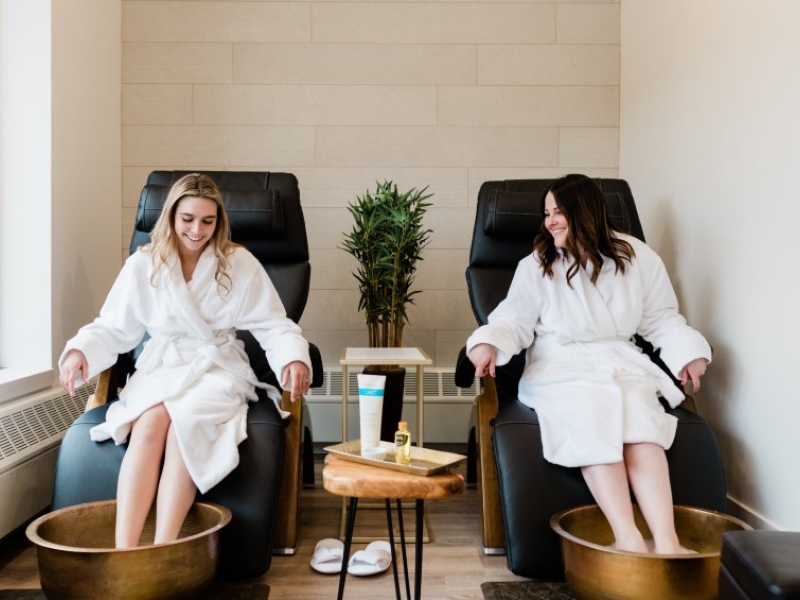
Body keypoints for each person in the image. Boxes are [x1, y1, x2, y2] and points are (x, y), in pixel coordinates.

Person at [59, 173, 312, 548]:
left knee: (185, 426)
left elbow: (273, 323)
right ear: (172, 217)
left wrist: (293, 357)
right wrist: (81, 350)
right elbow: (113, 326)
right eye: (188, 219)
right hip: (162, 365)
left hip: (216, 368)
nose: (197, 230)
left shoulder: (237, 262)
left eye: (208, 221)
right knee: (149, 425)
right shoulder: (144, 264)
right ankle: (125, 552)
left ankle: (163, 548)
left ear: (219, 220)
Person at [467, 174, 710, 555]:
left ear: (585, 212)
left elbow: (662, 318)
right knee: (592, 410)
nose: (549, 221)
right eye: (546, 213)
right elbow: (512, 320)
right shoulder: (537, 264)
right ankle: (627, 537)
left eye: (558, 212)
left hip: (619, 361)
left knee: (641, 423)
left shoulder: (638, 257)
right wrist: (488, 345)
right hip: (560, 364)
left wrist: (687, 353)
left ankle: (667, 542)